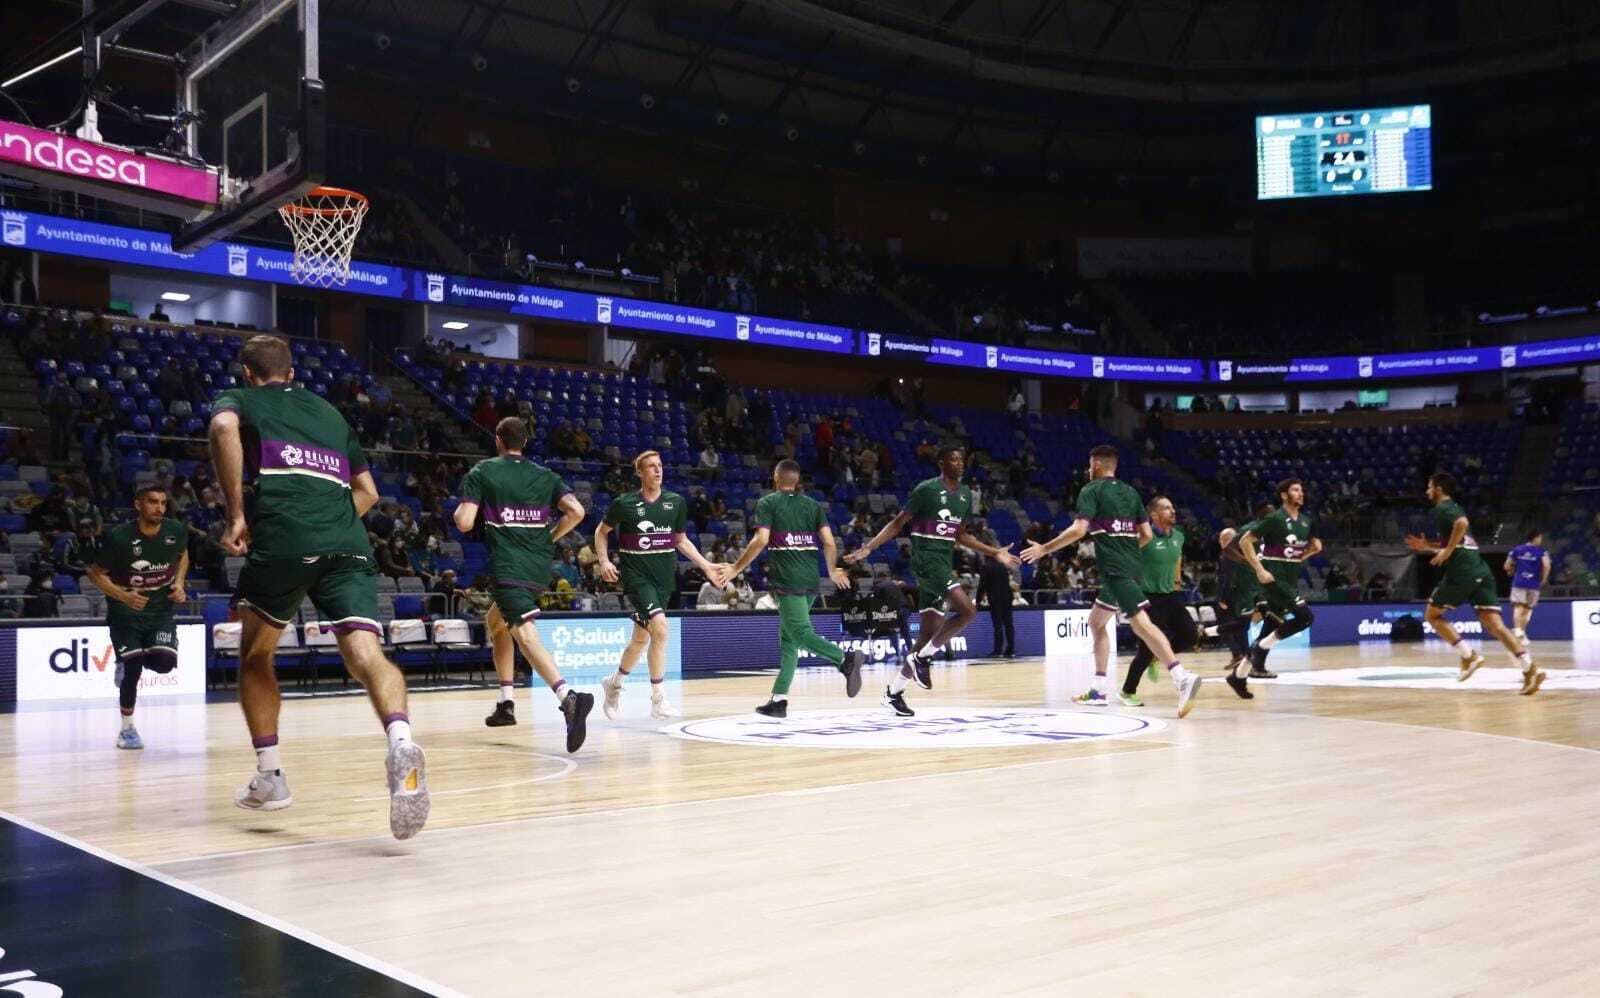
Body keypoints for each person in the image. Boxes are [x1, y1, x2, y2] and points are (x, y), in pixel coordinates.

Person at [208, 334, 429, 840]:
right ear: (291, 371)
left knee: (256, 656)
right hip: (348, 544)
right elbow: (368, 492)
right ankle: (400, 742)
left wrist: (237, 513)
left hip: (284, 538)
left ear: (248, 372)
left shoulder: (241, 399)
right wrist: (330, 524)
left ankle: (271, 777)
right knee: (367, 655)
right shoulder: (332, 414)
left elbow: (222, 428)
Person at [1022, 445, 1202, 718]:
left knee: (1142, 625)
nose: (1087, 469)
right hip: (1128, 565)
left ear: (1095, 464)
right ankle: (1099, 688)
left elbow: (1079, 529)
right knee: (1096, 622)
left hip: (1117, 569)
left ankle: (1181, 677)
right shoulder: (1130, 492)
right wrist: (1126, 551)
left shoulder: (1091, 490)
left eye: (1088, 465)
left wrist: (1045, 549)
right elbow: (1146, 535)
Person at [844, 446, 1019, 717]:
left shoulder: (963, 496)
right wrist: (870, 547)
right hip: (926, 561)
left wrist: (994, 551)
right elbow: (898, 523)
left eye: (962, 459)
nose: (959, 463)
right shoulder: (926, 489)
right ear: (941, 463)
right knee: (968, 610)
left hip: (943, 561)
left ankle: (894, 692)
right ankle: (923, 657)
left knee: (927, 635)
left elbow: (961, 536)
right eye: (953, 458)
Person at [453, 417, 594, 746]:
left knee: (524, 634)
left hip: (508, 565)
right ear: (525, 443)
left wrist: (460, 510)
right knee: (496, 622)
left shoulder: (484, 471)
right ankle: (506, 704)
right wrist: (549, 537)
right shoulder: (546, 476)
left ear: (499, 441)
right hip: (538, 566)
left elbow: (464, 523)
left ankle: (568, 698)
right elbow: (576, 512)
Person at [723, 459, 865, 717]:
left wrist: (735, 568)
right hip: (812, 581)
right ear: (797, 481)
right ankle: (778, 700)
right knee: (788, 640)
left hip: (788, 581)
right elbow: (830, 543)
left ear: (776, 479)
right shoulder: (812, 506)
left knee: (798, 633)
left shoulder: (768, 503)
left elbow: (761, 540)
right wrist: (832, 570)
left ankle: (844, 660)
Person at [594, 450, 725, 720]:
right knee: (661, 630)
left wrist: (706, 565)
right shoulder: (625, 503)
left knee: (641, 639)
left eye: (660, 465)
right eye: (651, 467)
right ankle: (658, 700)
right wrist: (604, 560)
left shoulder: (675, 502)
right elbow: (601, 531)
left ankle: (614, 683)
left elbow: (680, 540)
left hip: (664, 579)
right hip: (637, 578)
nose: (657, 470)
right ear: (640, 473)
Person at [1405, 472, 1542, 694]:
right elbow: (1462, 543)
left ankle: (1469, 656)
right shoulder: (1452, 508)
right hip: (1480, 570)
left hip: (1463, 571)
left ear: (1439, 488)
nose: (1426, 491)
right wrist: (1428, 547)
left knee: (1432, 615)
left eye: (1429, 487)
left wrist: (1447, 550)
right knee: (1495, 625)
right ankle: (1530, 669)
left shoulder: (1443, 508)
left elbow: (1462, 523)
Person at [82, 487, 188, 750]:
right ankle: (127, 729)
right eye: (153, 502)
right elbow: (94, 573)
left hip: (160, 609)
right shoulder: (119, 537)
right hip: (125, 613)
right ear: (138, 505)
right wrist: (122, 595)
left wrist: (180, 583)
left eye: (163, 502)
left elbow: (182, 555)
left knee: (164, 664)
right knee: (134, 668)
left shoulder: (175, 530)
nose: (159, 508)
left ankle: (128, 657)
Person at [1234, 479, 1322, 696]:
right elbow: (1245, 540)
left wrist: (1305, 554)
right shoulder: (1275, 518)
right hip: (1274, 579)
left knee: (1270, 625)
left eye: (1301, 490)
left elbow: (1317, 545)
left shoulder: (1306, 521)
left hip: (1290, 578)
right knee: (1305, 617)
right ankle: (1261, 647)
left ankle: (1238, 676)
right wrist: (1259, 569)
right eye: (1295, 490)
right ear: (1284, 495)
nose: (1300, 493)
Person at [1119, 496, 1197, 707]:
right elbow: (1126, 560)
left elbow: (1177, 557)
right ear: (1153, 515)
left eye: (1173, 507)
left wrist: (1177, 579)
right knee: (1146, 650)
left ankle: (1159, 656)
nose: (1172, 511)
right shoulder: (1144, 537)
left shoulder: (1179, 536)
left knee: (1191, 635)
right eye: (1166, 508)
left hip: (1171, 594)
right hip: (1147, 597)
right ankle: (1127, 691)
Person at [1504, 529, 1551, 642]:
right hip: (1534, 584)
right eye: (1540, 538)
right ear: (1535, 538)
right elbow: (1547, 566)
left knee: (1518, 607)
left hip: (1519, 583)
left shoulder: (1516, 550)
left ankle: (1519, 632)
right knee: (1527, 609)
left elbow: (1506, 565)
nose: (1541, 540)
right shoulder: (1541, 552)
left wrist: (1510, 571)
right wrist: (1543, 579)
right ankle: (1520, 632)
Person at [976, 557, 1015, 657]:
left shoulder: (986, 567)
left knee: (998, 624)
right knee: (1008, 624)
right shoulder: (1003, 566)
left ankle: (998, 650)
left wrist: (978, 601)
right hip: (1007, 597)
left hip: (995, 598)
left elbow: (982, 585)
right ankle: (1011, 649)